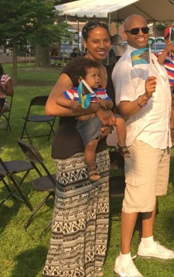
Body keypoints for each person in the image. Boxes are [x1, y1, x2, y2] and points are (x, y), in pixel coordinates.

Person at [43, 20, 115, 277]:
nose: (102, 45)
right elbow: (51, 108)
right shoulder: (74, 71)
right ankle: (63, 271)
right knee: (71, 220)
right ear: (85, 42)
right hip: (73, 152)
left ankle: (89, 269)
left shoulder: (104, 70)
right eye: (96, 41)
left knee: (94, 214)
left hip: (99, 151)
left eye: (106, 40)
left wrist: (108, 121)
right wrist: (94, 108)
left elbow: (108, 107)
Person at [112, 14, 174, 277]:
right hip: (143, 139)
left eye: (144, 29)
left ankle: (147, 242)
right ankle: (123, 258)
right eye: (134, 30)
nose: (141, 33)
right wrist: (144, 96)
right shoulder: (125, 66)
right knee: (135, 198)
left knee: (151, 195)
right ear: (125, 34)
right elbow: (122, 109)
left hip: (160, 138)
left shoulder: (149, 58)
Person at [56, 58, 129, 181]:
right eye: (93, 76)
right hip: (88, 124)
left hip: (102, 121)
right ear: (81, 80)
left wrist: (106, 103)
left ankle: (121, 145)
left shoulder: (100, 92)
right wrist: (70, 103)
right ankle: (91, 169)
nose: (98, 79)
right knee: (91, 145)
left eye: (99, 75)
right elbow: (58, 99)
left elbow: (111, 104)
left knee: (120, 121)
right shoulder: (76, 92)